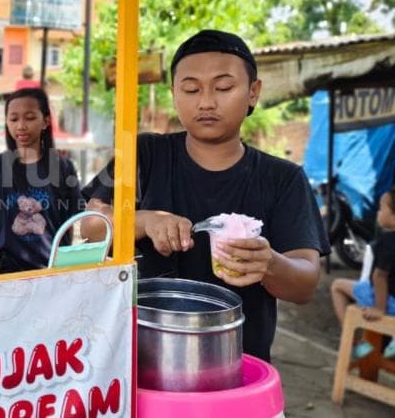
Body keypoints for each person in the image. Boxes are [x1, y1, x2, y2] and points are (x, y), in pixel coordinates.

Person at [80, 29, 329, 361]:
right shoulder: (146, 154)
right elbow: (90, 227)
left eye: (224, 87)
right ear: (174, 93)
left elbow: (305, 285)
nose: (207, 102)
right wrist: (143, 221)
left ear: (253, 93)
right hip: (139, 355)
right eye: (191, 89)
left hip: (236, 360)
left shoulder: (283, 178)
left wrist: (269, 264)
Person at [0, 87, 85, 273]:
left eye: (30, 117)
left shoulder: (63, 168)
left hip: (53, 272)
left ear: (46, 121)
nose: (21, 126)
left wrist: (61, 264)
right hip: (10, 273)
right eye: (14, 119)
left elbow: (68, 225)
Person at [330, 186, 395, 359]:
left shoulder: (387, 240)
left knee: (337, 286)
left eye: (382, 209)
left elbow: (380, 276)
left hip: (388, 301)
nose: (379, 213)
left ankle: (355, 344)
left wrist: (378, 309)